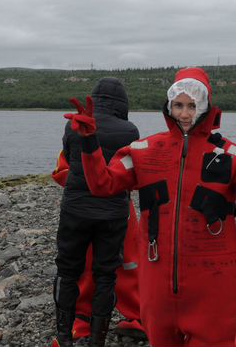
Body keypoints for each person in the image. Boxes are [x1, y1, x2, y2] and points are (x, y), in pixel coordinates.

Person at [64, 67, 236, 347]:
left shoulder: (229, 156)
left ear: (206, 108)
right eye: (178, 105)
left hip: (212, 284)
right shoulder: (143, 151)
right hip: (157, 285)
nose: (186, 114)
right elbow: (103, 185)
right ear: (169, 107)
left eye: (193, 106)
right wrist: (90, 143)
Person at [54, 77, 140, 347]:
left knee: (68, 272)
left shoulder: (73, 124)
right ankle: (97, 340)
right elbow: (131, 169)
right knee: (107, 275)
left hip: (76, 209)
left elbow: (67, 158)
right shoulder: (130, 131)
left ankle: (65, 336)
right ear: (122, 104)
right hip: (113, 212)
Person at [51, 151, 145, 342]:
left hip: (84, 207)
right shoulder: (127, 133)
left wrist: (86, 183)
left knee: (91, 264)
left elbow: (62, 171)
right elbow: (139, 172)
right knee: (124, 262)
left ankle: (84, 320)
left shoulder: (76, 133)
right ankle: (136, 316)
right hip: (118, 207)